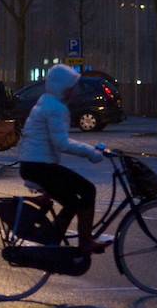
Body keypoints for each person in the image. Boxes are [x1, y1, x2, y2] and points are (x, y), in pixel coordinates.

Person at [18, 65, 111, 259]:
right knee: (88, 190)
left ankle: (52, 240)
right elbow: (61, 143)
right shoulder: (55, 108)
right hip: (40, 166)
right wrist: (91, 152)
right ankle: (85, 243)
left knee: (72, 202)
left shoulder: (46, 102)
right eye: (72, 87)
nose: (75, 91)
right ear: (63, 87)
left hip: (32, 165)